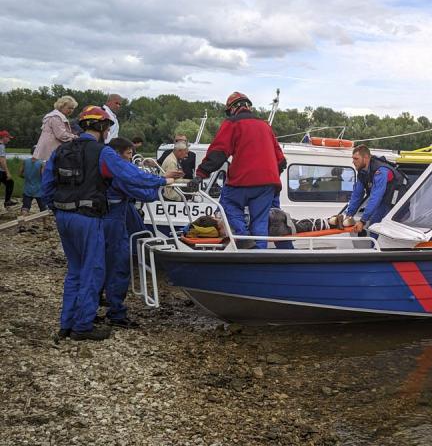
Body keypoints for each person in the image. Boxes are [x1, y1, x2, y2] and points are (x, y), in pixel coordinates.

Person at [41, 106, 180, 341]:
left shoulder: (61, 150)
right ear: (103, 127)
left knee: (75, 270)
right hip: (88, 217)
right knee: (93, 270)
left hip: (64, 217)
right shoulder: (102, 152)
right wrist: (162, 180)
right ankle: (83, 327)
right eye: (107, 127)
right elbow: (130, 175)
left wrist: (56, 209)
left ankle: (67, 323)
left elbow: (47, 185)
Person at [192, 92, 285, 249]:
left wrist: (201, 174)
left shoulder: (232, 123)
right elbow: (281, 161)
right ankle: (258, 255)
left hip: (242, 180)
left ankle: (243, 237)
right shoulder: (265, 126)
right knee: (260, 222)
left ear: (232, 109)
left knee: (228, 203)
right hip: (268, 184)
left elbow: (219, 152)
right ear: (248, 106)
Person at [102, 137, 178, 328]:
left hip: (113, 212)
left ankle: (102, 300)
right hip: (115, 216)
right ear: (118, 155)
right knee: (119, 261)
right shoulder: (119, 175)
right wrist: (162, 182)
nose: (130, 158)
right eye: (128, 154)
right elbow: (143, 194)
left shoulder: (109, 171)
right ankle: (116, 311)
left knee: (104, 259)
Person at [345, 145, 408, 237]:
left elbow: (376, 196)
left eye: (356, 158)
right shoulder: (362, 173)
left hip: (396, 203)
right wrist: (349, 215)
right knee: (374, 223)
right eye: (353, 158)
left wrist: (362, 221)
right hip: (384, 200)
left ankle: (375, 249)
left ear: (366, 158)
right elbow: (357, 195)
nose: (353, 161)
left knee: (375, 225)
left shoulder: (381, 171)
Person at [32, 96, 79, 162]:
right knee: (50, 169)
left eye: (72, 109)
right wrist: (74, 137)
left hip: (47, 148)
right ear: (61, 106)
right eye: (69, 108)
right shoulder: (56, 117)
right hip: (51, 149)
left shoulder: (54, 115)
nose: (71, 110)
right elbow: (61, 135)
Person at [19, 146, 46, 215]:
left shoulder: (25, 161)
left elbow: (19, 174)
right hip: (39, 189)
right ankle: (45, 225)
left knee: (25, 207)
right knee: (43, 208)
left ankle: (22, 224)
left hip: (27, 188)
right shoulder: (41, 163)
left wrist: (26, 178)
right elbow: (43, 176)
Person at [0, 130, 16, 207]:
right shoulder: (1, 146)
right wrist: (7, 172)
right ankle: (7, 201)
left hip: (1, 171)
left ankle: (7, 201)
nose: (9, 140)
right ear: (4, 137)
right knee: (10, 182)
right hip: (1, 171)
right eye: (8, 138)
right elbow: (2, 161)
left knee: (10, 183)